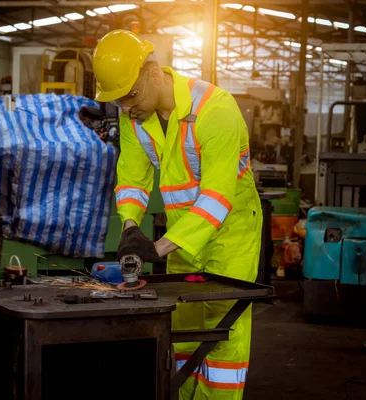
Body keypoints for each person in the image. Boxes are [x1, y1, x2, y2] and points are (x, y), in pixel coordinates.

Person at [92, 29, 263, 400]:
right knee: (182, 325)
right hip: (182, 231)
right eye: (118, 101)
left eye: (131, 96)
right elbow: (133, 178)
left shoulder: (216, 110)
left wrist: (160, 248)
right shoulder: (133, 114)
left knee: (222, 328)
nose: (126, 107)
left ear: (155, 73)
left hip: (231, 231)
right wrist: (132, 227)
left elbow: (218, 197)